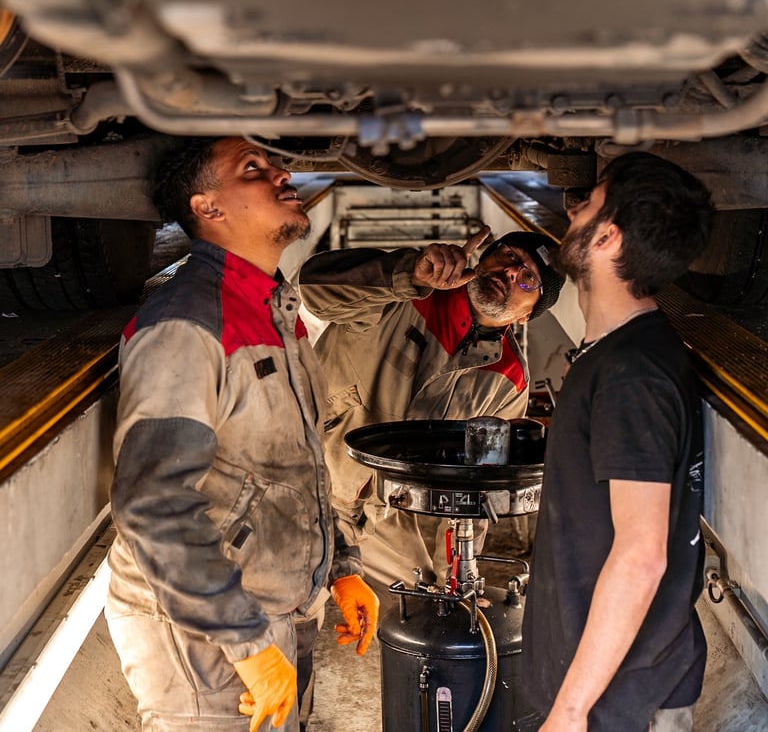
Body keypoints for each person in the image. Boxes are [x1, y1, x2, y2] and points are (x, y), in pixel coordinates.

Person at [104, 136, 379, 732]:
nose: (281, 173)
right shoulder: (186, 322)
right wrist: (245, 642)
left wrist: (342, 566)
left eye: (273, 163)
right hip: (206, 636)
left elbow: (296, 466)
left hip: (267, 609)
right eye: (252, 168)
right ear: (209, 208)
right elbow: (152, 504)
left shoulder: (275, 310)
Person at [521, 151, 713, 732]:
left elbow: (641, 556)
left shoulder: (634, 376)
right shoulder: (621, 355)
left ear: (606, 238)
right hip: (606, 685)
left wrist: (572, 710)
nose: (572, 208)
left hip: (617, 702)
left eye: (590, 202)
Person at [298, 227, 564, 601]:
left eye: (527, 279)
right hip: (306, 483)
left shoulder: (509, 378)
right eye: (509, 256)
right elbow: (312, 288)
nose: (509, 272)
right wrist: (408, 274)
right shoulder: (404, 295)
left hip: (375, 514)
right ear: (486, 256)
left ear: (527, 315)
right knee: (293, 605)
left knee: (438, 597)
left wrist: (455, 574)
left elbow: (477, 487)